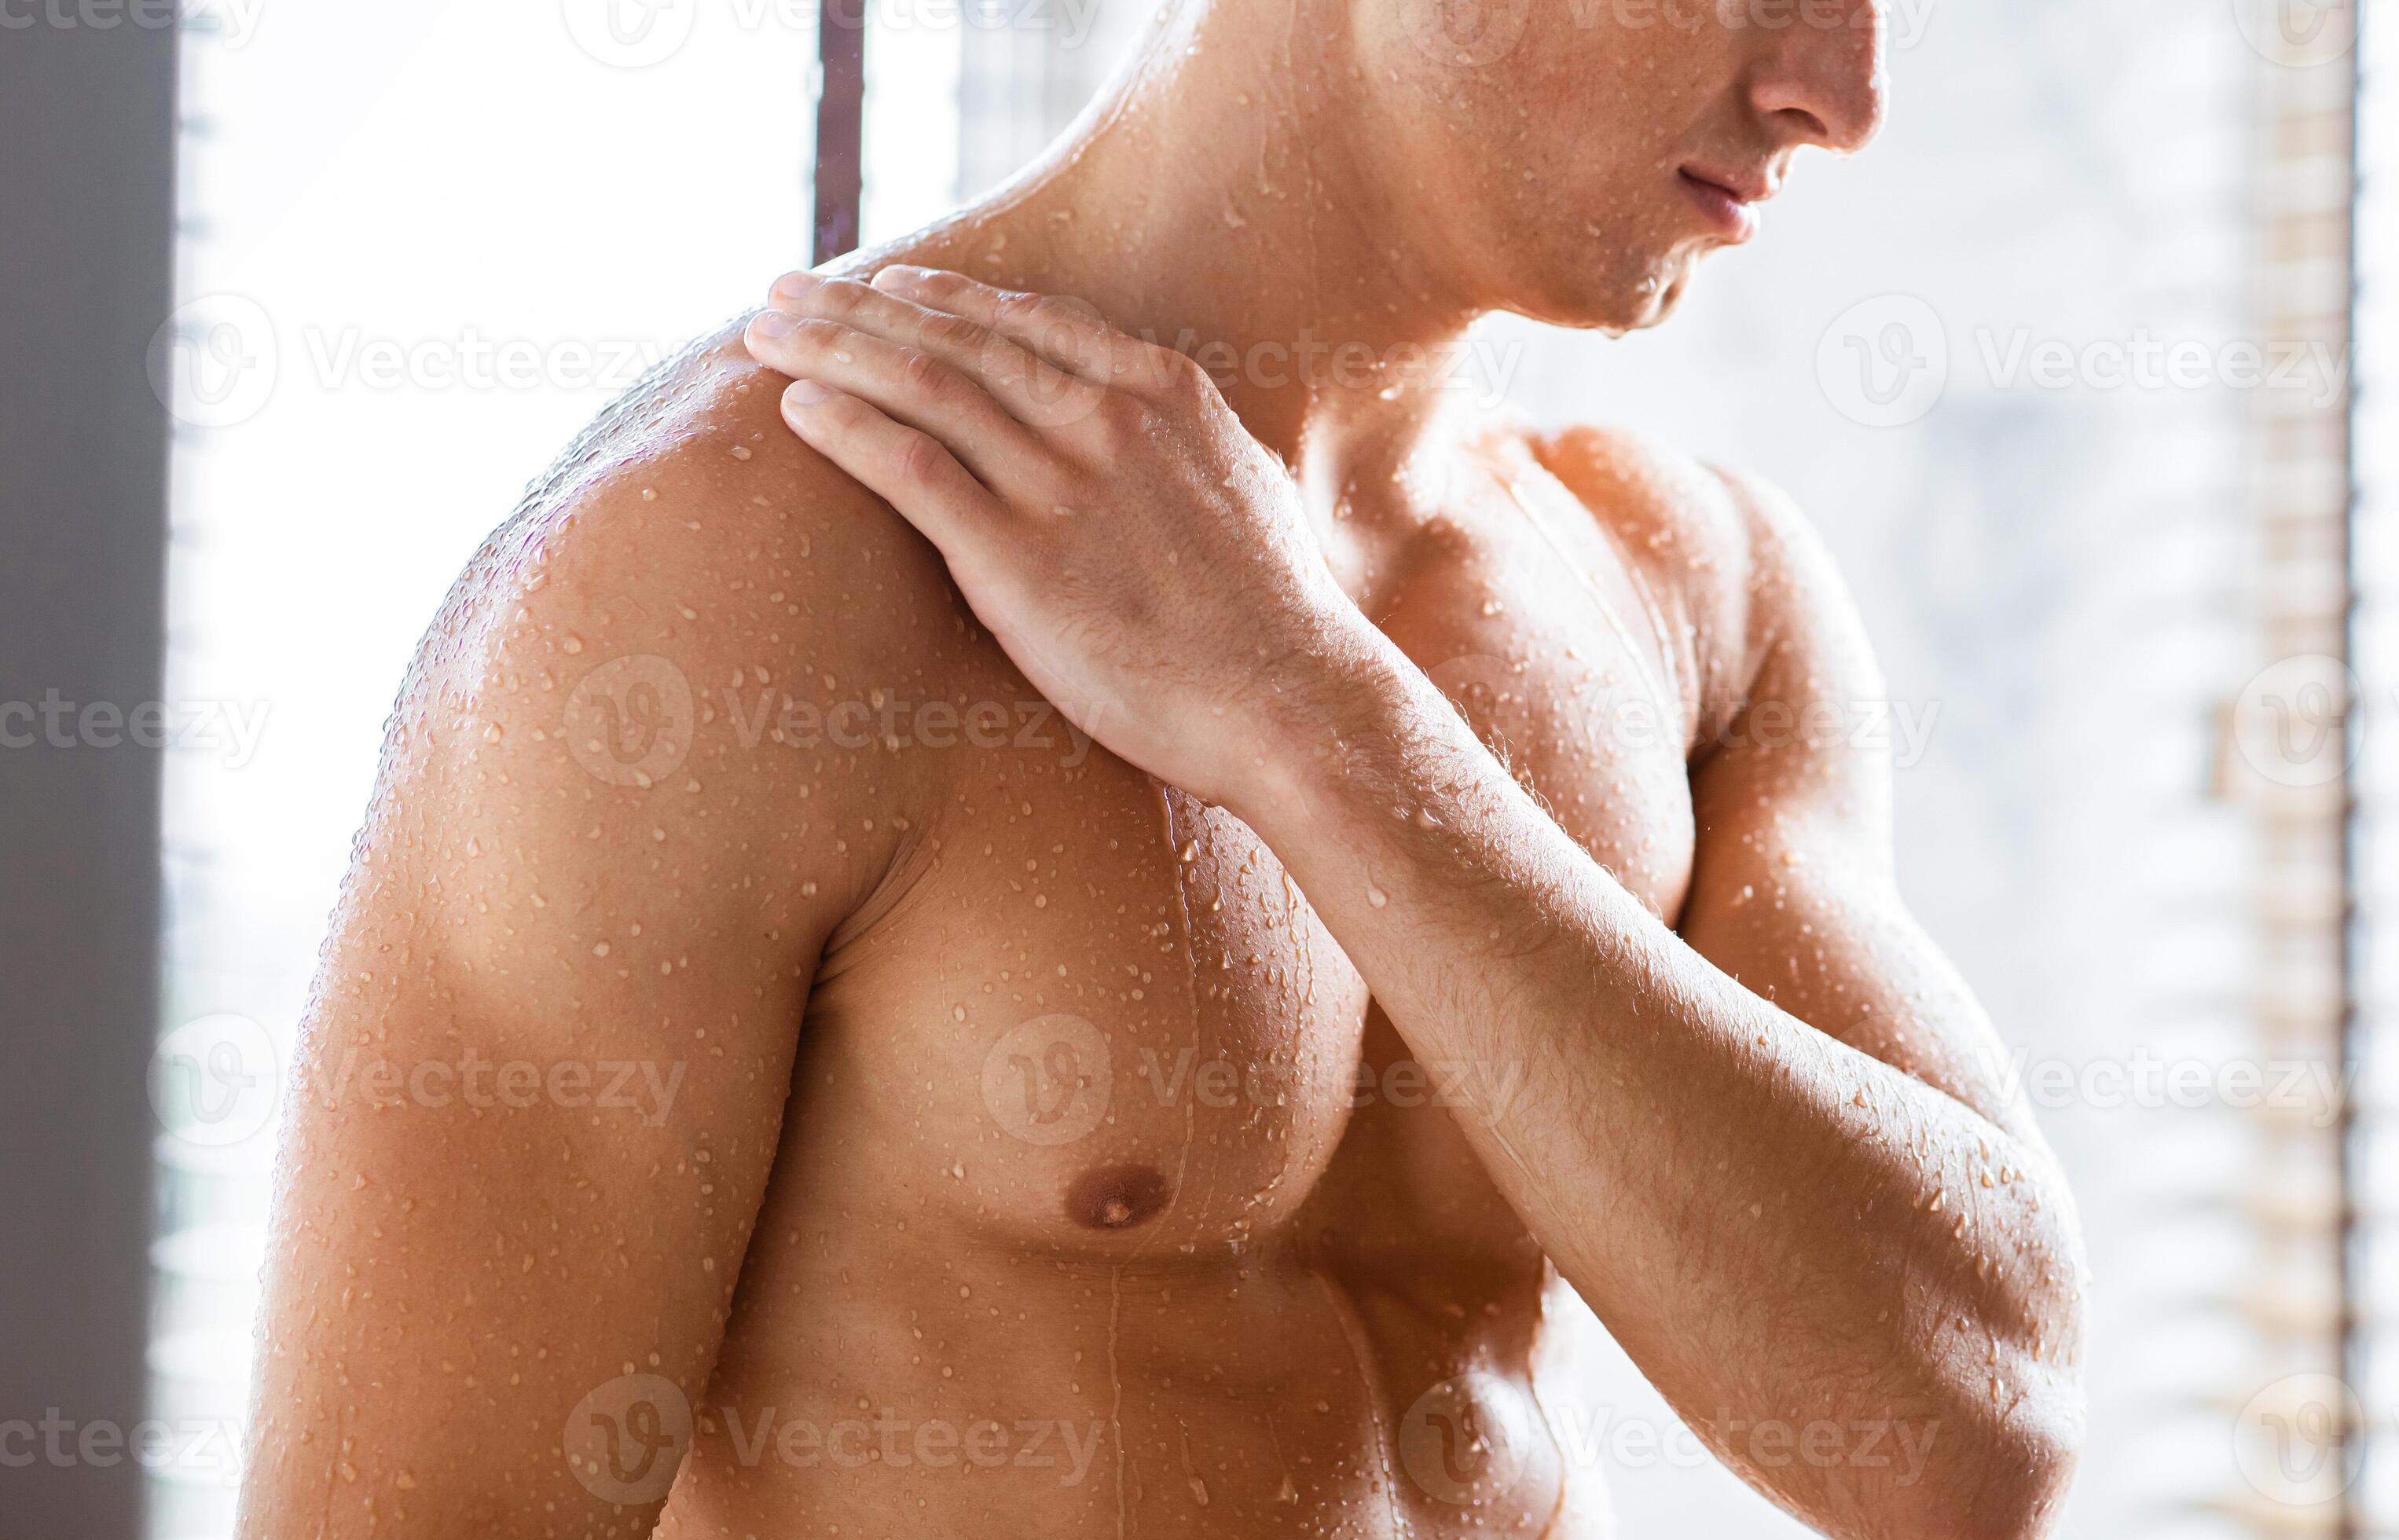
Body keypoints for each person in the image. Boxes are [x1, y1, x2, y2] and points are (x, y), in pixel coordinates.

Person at [240, 0, 2085, 1533]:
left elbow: (1966, 1436)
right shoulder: (737, 575)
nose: (1839, 96)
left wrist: (1306, 709)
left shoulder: (1687, 590)